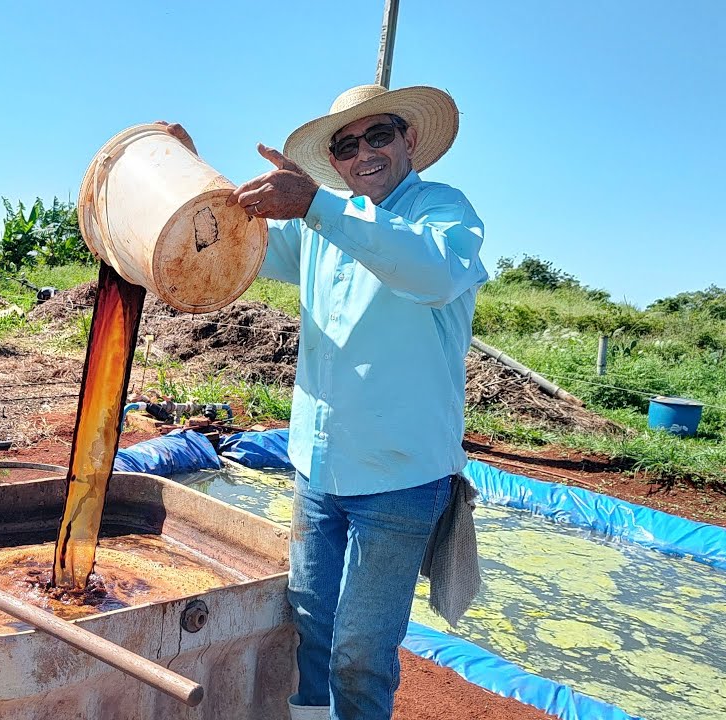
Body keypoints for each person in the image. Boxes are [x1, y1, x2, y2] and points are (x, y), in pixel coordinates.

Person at [162, 83, 487, 720]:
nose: (364, 152)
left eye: (379, 135)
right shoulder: (320, 226)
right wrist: (186, 178)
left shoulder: (441, 214)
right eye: (346, 145)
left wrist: (317, 207)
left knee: (361, 651)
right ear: (333, 161)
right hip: (318, 468)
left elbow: (431, 273)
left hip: (399, 477)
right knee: (311, 630)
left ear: (409, 141)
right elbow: (234, 242)